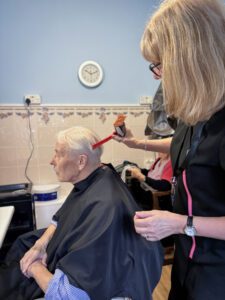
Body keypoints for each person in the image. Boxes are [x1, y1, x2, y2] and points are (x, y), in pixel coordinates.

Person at [113, 0, 225, 299]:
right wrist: (135, 143)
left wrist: (180, 223)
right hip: (188, 260)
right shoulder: (197, 111)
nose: (155, 74)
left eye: (159, 63)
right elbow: (191, 149)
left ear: (190, 59)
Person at [0, 126, 163, 300]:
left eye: (58, 154)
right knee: (24, 242)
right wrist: (40, 245)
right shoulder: (93, 177)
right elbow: (60, 219)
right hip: (63, 251)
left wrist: (34, 267)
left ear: (81, 162)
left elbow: (69, 295)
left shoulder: (104, 208)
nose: (51, 161)